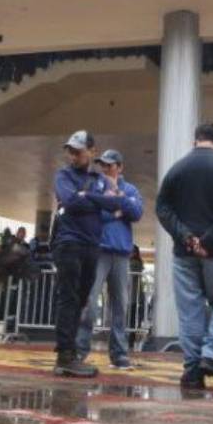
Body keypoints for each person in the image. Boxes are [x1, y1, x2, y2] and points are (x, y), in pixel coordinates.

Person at [155, 122, 213, 390]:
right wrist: (208, 240)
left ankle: (192, 371)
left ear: (196, 141)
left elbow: (162, 208)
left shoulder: (177, 169)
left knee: (190, 310)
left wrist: (186, 237)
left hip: (184, 253)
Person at [50, 131, 128, 378]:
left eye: (78, 151)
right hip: (69, 243)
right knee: (69, 298)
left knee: (82, 300)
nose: (72, 156)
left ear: (92, 151)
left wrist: (87, 197)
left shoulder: (99, 179)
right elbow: (70, 203)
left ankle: (70, 354)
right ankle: (65, 355)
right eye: (70, 151)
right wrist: (98, 200)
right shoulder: (63, 175)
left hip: (92, 246)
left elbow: (116, 204)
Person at [75, 149, 143, 370]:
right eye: (102, 165)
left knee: (120, 306)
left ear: (120, 167)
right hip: (99, 251)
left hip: (121, 254)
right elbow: (92, 213)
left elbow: (137, 212)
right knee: (90, 302)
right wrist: (115, 211)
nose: (105, 169)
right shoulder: (94, 186)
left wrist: (118, 201)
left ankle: (120, 354)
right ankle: (80, 350)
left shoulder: (129, 189)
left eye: (110, 165)